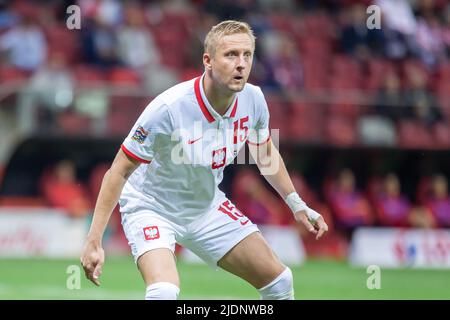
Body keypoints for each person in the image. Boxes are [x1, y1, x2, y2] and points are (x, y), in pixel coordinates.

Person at [80, 20, 328, 300]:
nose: (241, 64)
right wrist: (94, 240)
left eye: (247, 55)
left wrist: (297, 204)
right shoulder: (168, 108)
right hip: (152, 207)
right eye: (231, 55)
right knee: (164, 292)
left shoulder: (254, 99)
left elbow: (265, 153)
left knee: (280, 282)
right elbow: (118, 172)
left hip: (206, 207)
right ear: (208, 60)